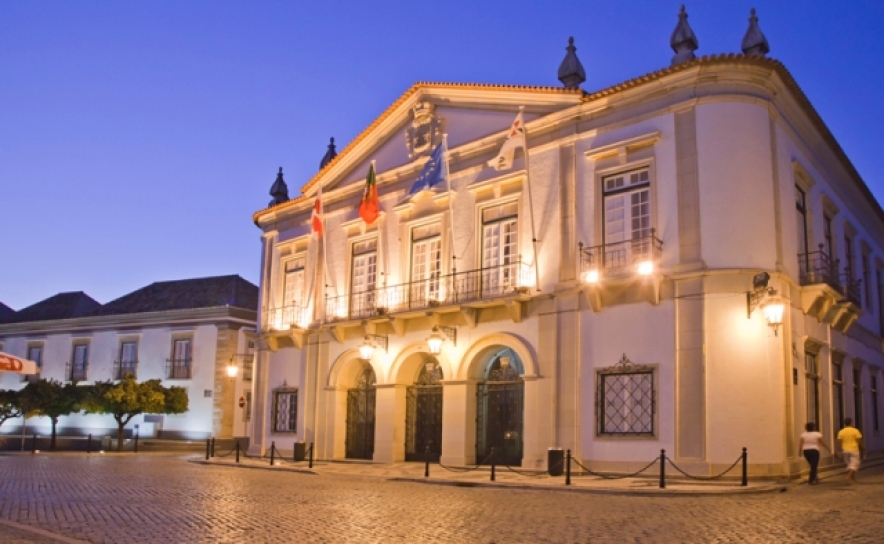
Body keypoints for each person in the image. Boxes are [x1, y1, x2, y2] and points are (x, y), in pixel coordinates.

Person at [836, 417, 865, 484]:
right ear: (851, 423)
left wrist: (839, 450)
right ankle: (848, 477)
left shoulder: (841, 432)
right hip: (854, 450)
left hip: (845, 450)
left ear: (844, 423)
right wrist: (863, 447)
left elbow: (839, 442)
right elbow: (859, 440)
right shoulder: (855, 431)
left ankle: (853, 479)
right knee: (854, 465)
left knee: (850, 465)